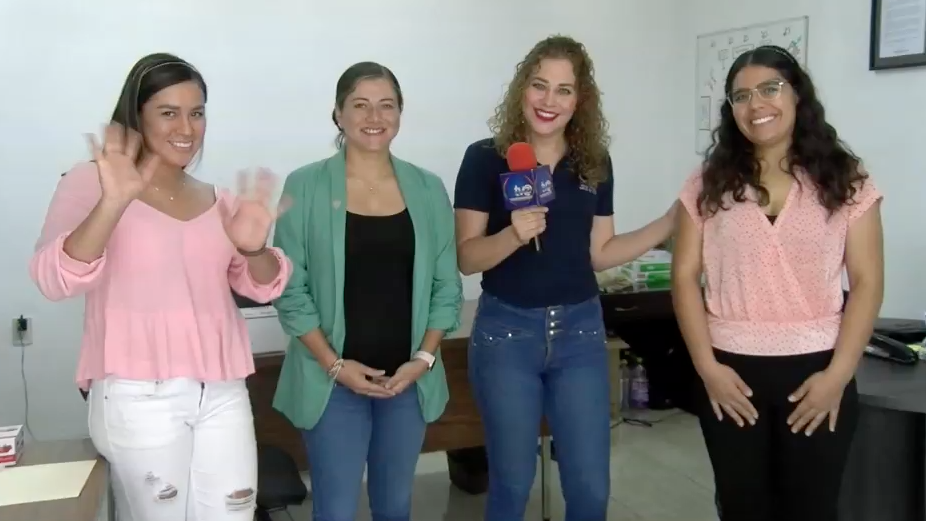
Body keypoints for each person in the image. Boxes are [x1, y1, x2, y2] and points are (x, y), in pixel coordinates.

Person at [28, 53, 293, 521]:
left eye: (197, 113)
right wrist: (113, 203)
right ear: (137, 116)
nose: (186, 128)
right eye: (168, 112)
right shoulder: (91, 182)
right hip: (137, 395)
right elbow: (54, 278)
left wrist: (254, 249)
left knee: (234, 514)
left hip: (222, 391)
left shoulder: (219, 200)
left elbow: (263, 285)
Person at [453, 35, 677, 521]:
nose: (549, 100)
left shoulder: (593, 162)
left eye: (564, 90)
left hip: (580, 332)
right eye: (539, 85)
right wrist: (513, 234)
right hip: (507, 334)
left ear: (580, 100)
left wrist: (668, 222)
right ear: (522, 88)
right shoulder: (484, 158)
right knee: (512, 484)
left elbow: (601, 253)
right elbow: (467, 258)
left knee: (591, 488)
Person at [672, 45, 884, 521]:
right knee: (742, 508)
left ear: (797, 95)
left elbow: (867, 281)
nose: (756, 105)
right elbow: (684, 277)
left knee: (811, 509)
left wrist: (838, 375)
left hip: (818, 372)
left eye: (770, 88)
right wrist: (706, 367)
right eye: (741, 95)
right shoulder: (707, 181)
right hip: (729, 374)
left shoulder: (846, 179)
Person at [271, 61, 463, 521]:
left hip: (407, 380)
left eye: (386, 105)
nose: (374, 116)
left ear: (399, 113)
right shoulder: (305, 185)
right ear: (338, 114)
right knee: (335, 509)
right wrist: (334, 365)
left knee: (395, 506)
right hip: (331, 380)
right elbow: (290, 289)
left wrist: (423, 359)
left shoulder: (427, 188)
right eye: (360, 105)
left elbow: (446, 285)